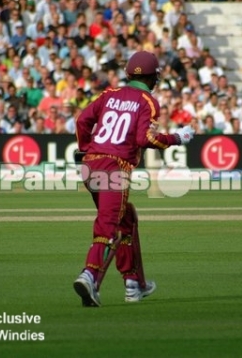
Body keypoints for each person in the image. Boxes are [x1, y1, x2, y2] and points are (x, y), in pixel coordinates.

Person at [73, 51, 195, 307]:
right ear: (153, 78)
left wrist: (86, 148)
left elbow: (82, 120)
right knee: (107, 225)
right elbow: (145, 139)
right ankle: (90, 275)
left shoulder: (109, 94)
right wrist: (177, 138)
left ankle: (133, 283)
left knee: (126, 218)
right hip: (115, 168)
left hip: (90, 164)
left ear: (128, 74)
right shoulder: (147, 101)